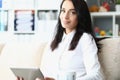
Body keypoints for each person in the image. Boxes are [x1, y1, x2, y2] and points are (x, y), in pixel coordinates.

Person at [17, 0, 104, 80]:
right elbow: (44, 74)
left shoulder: (85, 39)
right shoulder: (53, 41)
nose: (65, 16)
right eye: (63, 11)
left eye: (72, 12)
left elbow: (97, 76)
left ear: (80, 16)